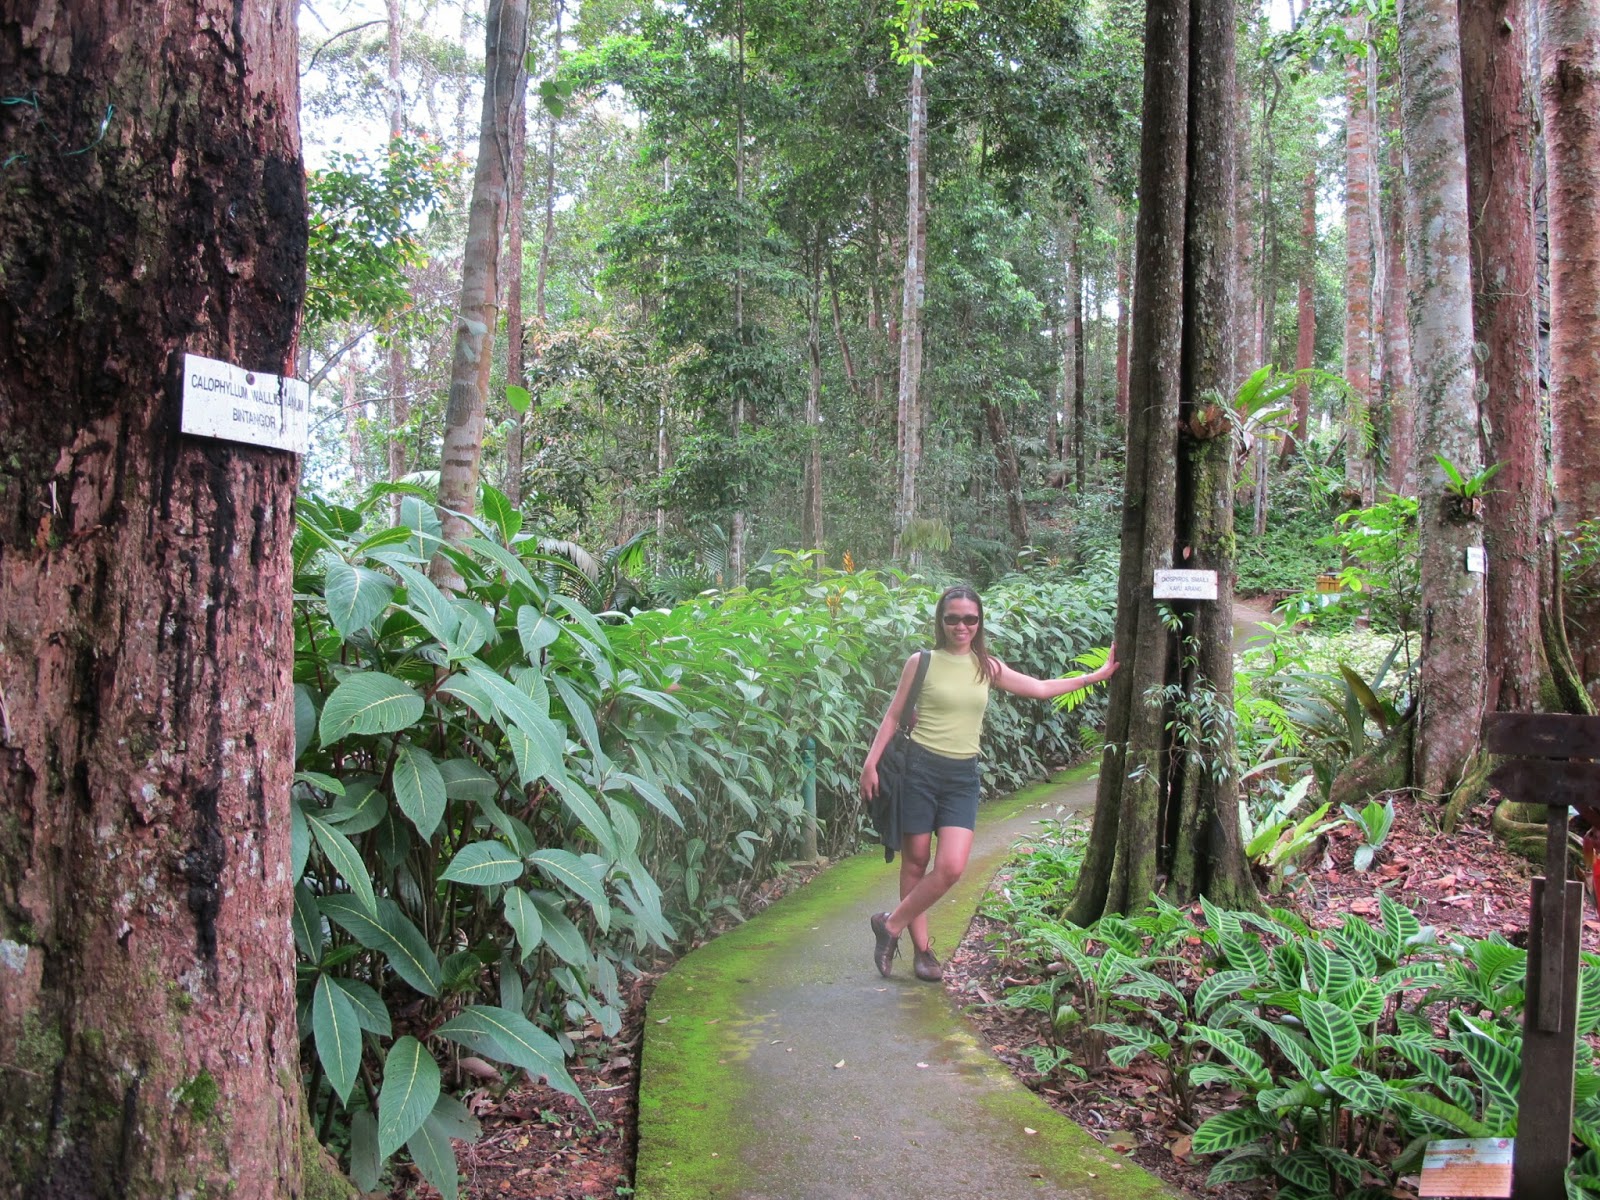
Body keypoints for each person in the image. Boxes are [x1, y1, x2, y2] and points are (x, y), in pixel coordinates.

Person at [858, 585, 1118, 981]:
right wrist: (869, 764)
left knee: (950, 867)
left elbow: (1041, 688)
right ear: (941, 621)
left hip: (962, 776)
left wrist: (1096, 676)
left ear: (979, 623)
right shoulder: (922, 661)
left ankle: (889, 925)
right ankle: (923, 952)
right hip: (919, 770)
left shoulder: (987, 667)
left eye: (969, 618)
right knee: (915, 861)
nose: (961, 625)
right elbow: (893, 716)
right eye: (952, 618)